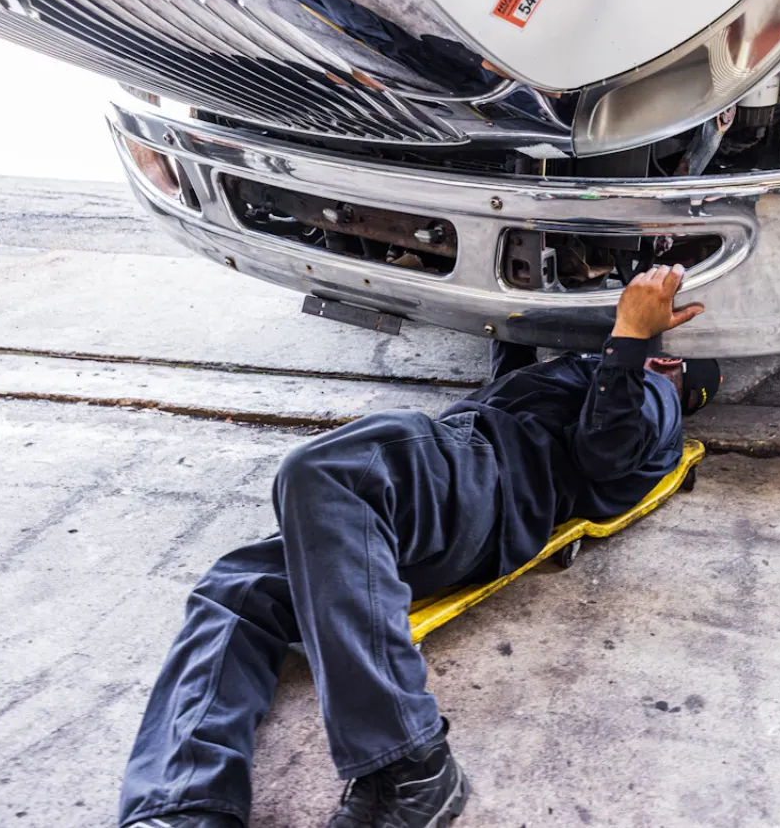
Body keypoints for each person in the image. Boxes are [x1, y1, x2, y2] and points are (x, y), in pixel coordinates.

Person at [120, 264, 722, 828]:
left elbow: (605, 452)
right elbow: (511, 370)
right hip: (442, 496)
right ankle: (183, 802)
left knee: (330, 469)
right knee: (237, 588)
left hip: (485, 486)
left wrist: (631, 340)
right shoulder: (588, 380)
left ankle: (410, 765)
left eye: (664, 360)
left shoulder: (655, 397)